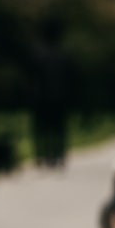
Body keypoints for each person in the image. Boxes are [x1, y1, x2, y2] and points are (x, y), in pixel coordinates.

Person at [30, 16, 72, 168]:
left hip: (43, 98)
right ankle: (57, 155)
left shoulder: (39, 54)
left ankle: (43, 155)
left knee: (43, 129)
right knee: (57, 129)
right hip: (58, 98)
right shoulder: (62, 55)